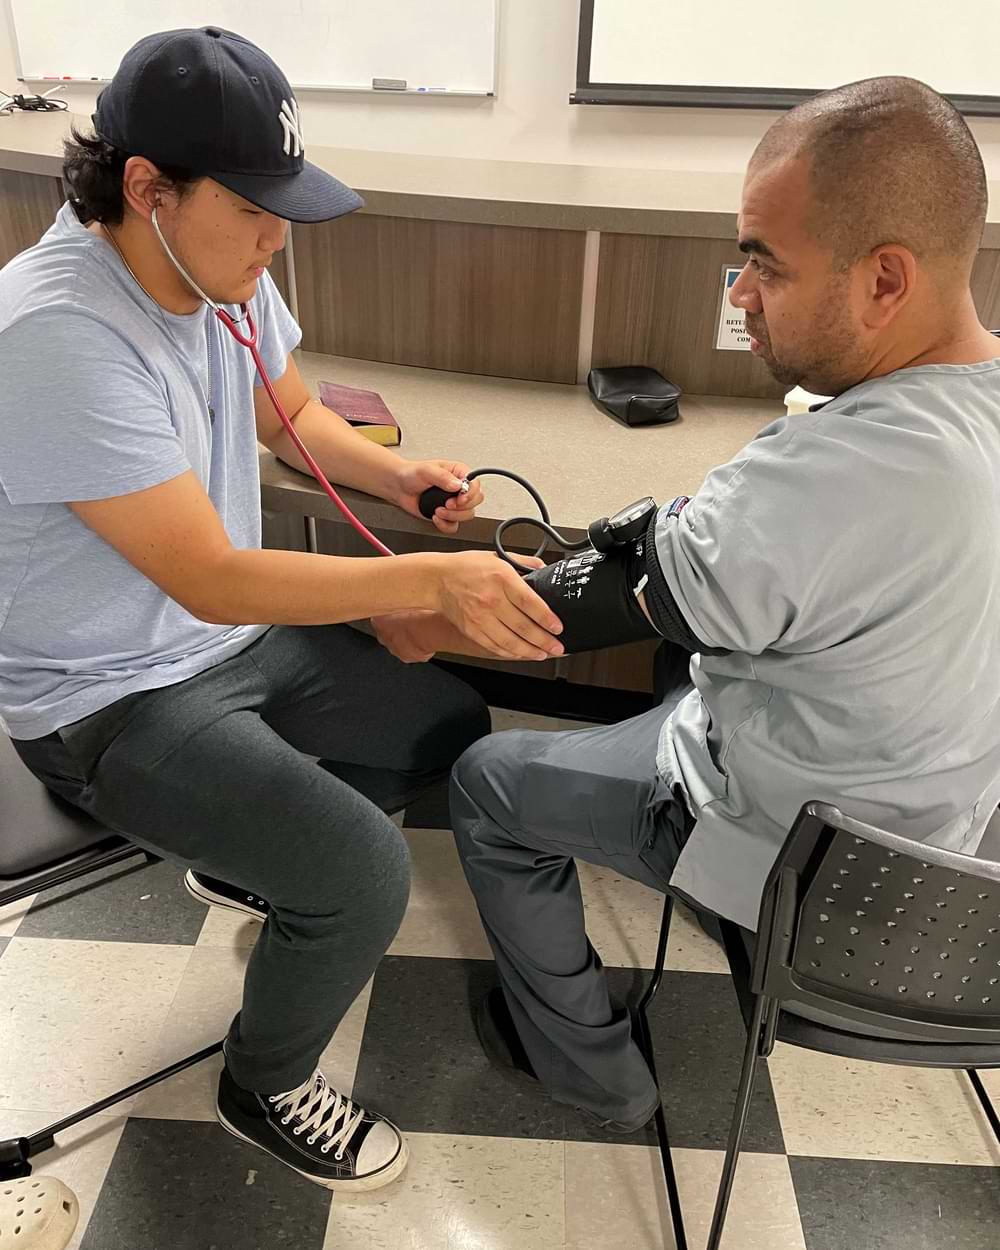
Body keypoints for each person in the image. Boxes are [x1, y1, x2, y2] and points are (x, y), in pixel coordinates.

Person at [376, 76, 1000, 1132]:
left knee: (486, 779)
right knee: (684, 667)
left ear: (885, 279)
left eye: (763, 260)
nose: (740, 292)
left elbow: (595, 600)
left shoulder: (824, 475)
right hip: (947, 872)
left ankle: (593, 1077)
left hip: (806, 867)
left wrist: (415, 616)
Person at [0, 27, 565, 1191]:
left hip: (221, 647)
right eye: (255, 208)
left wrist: (394, 475)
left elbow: (289, 413)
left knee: (446, 723)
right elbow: (210, 572)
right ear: (147, 189)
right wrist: (423, 580)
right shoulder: (56, 333)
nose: (278, 235)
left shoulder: (220, 272)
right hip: (104, 696)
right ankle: (261, 1082)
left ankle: (250, 851)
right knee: (364, 873)